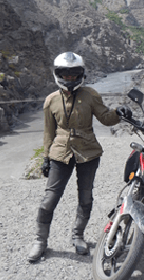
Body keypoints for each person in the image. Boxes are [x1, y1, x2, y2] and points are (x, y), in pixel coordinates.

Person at [28, 51, 132, 262]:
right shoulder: (50, 101)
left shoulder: (91, 95)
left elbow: (105, 118)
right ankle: (40, 241)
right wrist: (46, 157)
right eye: (65, 75)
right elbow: (49, 132)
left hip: (88, 153)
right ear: (58, 74)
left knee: (85, 198)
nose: (70, 78)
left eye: (74, 74)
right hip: (60, 153)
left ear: (81, 74)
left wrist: (118, 113)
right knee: (49, 199)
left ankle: (78, 236)